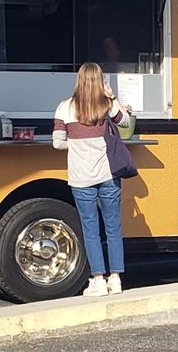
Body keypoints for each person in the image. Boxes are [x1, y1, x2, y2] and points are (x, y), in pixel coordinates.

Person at [52, 62, 130, 297]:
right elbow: (125, 122)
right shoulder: (106, 106)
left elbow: (57, 142)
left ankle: (98, 279)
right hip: (109, 175)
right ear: (100, 81)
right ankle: (115, 279)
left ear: (79, 80)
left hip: (81, 177)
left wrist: (76, 146)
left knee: (91, 229)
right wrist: (112, 97)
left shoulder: (65, 108)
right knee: (113, 228)